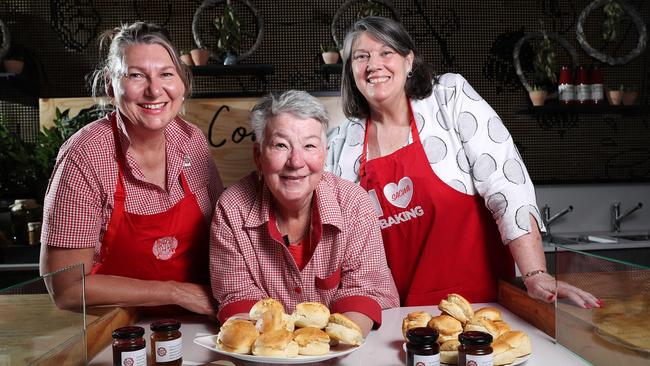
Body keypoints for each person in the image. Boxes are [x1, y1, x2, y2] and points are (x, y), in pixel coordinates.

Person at [327, 16, 600, 309]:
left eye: (386, 53)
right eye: (361, 56)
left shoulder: (448, 98)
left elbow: (506, 183)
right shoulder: (342, 142)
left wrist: (535, 273)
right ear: (351, 71)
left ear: (409, 61)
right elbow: (333, 241)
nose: (373, 64)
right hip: (394, 319)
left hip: (480, 309)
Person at [39, 22, 223, 315]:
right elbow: (66, 288)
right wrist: (175, 292)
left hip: (200, 323)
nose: (154, 90)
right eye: (136, 75)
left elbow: (222, 233)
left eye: (166, 74)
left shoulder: (192, 141)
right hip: (121, 333)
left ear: (182, 83)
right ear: (111, 85)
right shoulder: (85, 157)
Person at [210, 90, 399, 336]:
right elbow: (240, 300)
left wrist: (320, 349)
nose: (296, 161)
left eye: (309, 145)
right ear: (258, 156)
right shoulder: (231, 209)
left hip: (354, 351)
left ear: (324, 153)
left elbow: (363, 292)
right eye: (281, 145)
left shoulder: (354, 205)